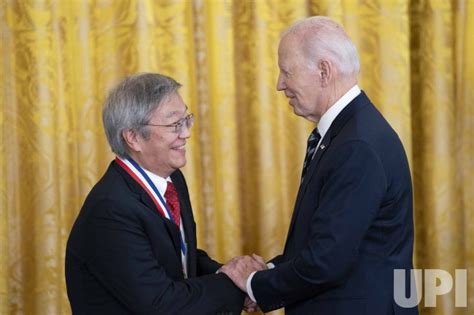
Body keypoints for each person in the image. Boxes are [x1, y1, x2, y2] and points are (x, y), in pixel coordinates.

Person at [220, 16, 418, 315]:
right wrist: (269, 272)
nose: (279, 85)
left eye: (287, 72)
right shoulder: (347, 132)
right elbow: (324, 242)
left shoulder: (356, 145)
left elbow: (327, 262)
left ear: (324, 71)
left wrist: (254, 284)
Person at [65, 73, 262, 314]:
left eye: (186, 119)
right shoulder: (110, 209)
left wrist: (231, 274)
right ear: (134, 138)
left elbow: (179, 257)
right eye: (174, 125)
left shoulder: (172, 180)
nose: (186, 133)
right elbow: (160, 304)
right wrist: (237, 285)